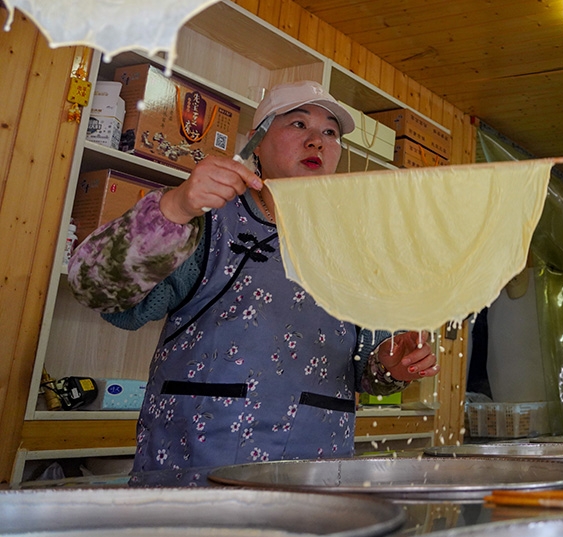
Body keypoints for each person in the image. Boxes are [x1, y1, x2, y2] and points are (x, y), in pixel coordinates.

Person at [69, 80, 438, 473]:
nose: (317, 141)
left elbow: (370, 374)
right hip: (199, 470)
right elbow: (96, 290)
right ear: (256, 143)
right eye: (298, 125)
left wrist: (392, 368)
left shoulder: (357, 248)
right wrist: (175, 206)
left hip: (316, 474)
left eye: (330, 133)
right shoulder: (208, 217)